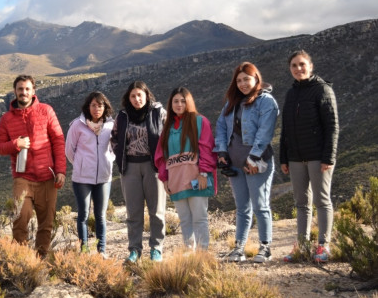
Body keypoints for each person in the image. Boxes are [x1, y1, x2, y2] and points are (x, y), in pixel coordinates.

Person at [0, 75, 66, 258]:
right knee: (20, 218)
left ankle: (41, 259)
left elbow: (58, 141)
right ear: (15, 92)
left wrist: (60, 171)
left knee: (46, 223)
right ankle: (21, 260)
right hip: (22, 177)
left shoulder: (46, 111)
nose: (23, 92)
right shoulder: (7, 119)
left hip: (47, 176)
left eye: (27, 89)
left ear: (33, 91)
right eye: (20, 89)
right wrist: (15, 144)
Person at [214, 62, 279, 263]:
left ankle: (265, 247)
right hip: (235, 161)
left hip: (256, 162)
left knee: (260, 205)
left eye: (246, 79)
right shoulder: (231, 103)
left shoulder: (266, 102)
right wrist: (222, 151)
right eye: (239, 80)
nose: (243, 83)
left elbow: (265, 131)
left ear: (256, 79)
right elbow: (221, 127)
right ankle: (239, 248)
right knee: (242, 207)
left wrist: (254, 156)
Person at [280, 50, 339, 263]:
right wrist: (284, 158)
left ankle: (324, 245)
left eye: (302, 64)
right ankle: (302, 246)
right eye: (294, 65)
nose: (298, 69)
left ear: (311, 66)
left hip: (318, 156)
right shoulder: (291, 93)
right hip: (296, 157)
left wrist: (328, 157)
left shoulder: (323, 90)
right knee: (301, 202)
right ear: (290, 69)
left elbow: (332, 127)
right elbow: (285, 129)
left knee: (322, 200)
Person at [111, 81, 167, 262]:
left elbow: (167, 135)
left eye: (140, 95)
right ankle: (134, 250)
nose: (137, 99)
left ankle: (156, 248)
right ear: (128, 98)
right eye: (133, 96)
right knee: (133, 212)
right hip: (130, 168)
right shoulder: (122, 116)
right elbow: (114, 139)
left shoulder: (158, 113)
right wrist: (121, 157)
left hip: (154, 167)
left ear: (147, 95)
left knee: (156, 211)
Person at [155, 87, 217, 251]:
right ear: (171, 104)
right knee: (184, 219)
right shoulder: (167, 127)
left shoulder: (200, 121)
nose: (179, 104)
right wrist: (165, 179)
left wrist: (204, 173)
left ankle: (203, 253)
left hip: (197, 178)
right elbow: (162, 156)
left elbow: (206, 148)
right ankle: (189, 251)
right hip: (176, 180)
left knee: (199, 217)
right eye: (176, 101)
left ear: (189, 102)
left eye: (183, 100)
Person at [65, 91, 116, 256]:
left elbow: (116, 147)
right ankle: (84, 250)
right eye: (93, 105)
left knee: (101, 215)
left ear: (105, 107)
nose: (96, 109)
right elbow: (69, 150)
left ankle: (102, 250)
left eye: (100, 105)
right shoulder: (77, 125)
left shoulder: (111, 125)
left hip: (103, 177)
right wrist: (80, 165)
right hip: (82, 179)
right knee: (83, 214)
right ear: (88, 107)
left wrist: (109, 160)